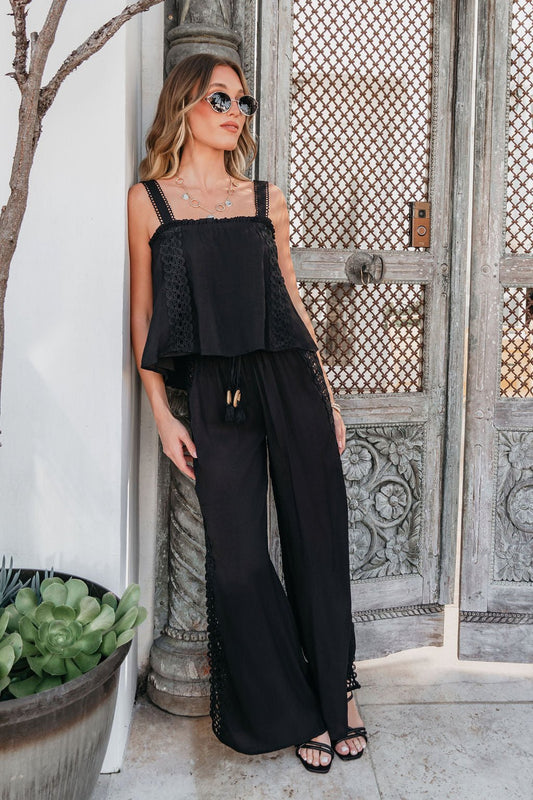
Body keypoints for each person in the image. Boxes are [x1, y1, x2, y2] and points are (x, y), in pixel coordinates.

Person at [128, 52, 367, 774]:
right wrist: (161, 417)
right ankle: (290, 704)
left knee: (315, 537)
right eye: (217, 98)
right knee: (234, 559)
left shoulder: (266, 198)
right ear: (184, 107)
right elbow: (140, 314)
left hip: (286, 378)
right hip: (210, 392)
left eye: (242, 102)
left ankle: (339, 689)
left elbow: (291, 300)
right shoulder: (149, 200)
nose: (233, 113)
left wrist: (325, 397)